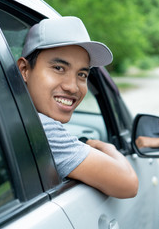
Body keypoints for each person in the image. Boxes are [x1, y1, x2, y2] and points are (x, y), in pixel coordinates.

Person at [16, 16, 138, 198]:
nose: (72, 87)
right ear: (24, 69)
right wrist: (109, 149)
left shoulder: (15, 117)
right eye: (58, 68)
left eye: (82, 74)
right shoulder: (41, 129)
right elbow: (128, 184)